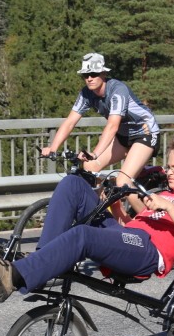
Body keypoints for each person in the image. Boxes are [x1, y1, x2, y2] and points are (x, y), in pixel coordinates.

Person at [0, 136, 174, 303]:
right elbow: (129, 228)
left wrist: (169, 207)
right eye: (168, 167)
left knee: (82, 235)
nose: (168, 173)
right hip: (130, 239)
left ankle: (15, 275)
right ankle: (44, 261)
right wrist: (116, 206)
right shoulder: (166, 194)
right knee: (73, 184)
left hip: (148, 251)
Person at [41, 52, 160, 223]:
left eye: (94, 74)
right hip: (123, 136)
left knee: (123, 181)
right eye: (85, 75)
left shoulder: (118, 90)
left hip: (145, 134)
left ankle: (153, 224)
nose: (89, 78)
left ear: (103, 74)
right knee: (89, 167)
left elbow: (112, 125)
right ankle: (114, 216)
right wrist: (53, 148)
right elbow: (70, 122)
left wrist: (95, 152)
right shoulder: (86, 94)